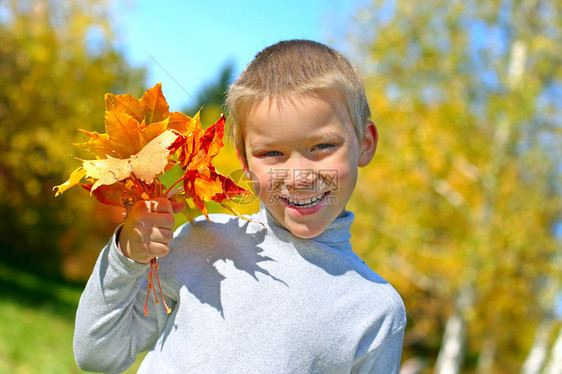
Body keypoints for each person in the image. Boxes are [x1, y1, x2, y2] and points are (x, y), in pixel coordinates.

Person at [74, 39, 406, 373]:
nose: (299, 177)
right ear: (245, 160)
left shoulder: (376, 310)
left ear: (364, 143)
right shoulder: (205, 244)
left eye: (322, 146)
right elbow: (98, 355)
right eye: (271, 153)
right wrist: (126, 257)